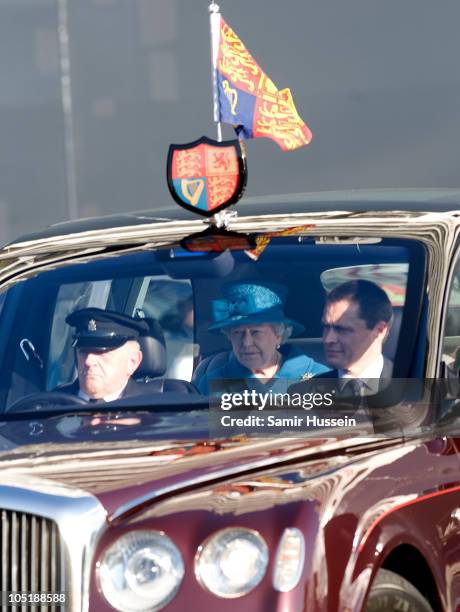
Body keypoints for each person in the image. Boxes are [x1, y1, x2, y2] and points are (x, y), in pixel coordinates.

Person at [196, 281, 329, 395]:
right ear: (229, 336)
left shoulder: (320, 377)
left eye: (255, 332)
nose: (246, 343)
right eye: (238, 332)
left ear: (279, 335)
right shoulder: (211, 382)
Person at [289, 279, 393, 397]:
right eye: (326, 327)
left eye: (342, 329)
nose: (328, 339)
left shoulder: (412, 386)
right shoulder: (301, 394)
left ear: (379, 331)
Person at [58, 307, 151, 402]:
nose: (88, 361)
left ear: (132, 362)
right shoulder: (49, 405)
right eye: (83, 351)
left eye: (101, 352)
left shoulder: (152, 409)